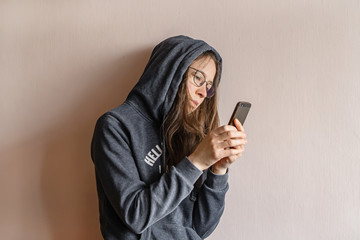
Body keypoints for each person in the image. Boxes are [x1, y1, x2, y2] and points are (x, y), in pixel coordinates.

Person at [91, 35, 247, 240]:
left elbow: (200, 228)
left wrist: (218, 170)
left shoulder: (188, 134)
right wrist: (196, 162)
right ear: (169, 71)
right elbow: (136, 215)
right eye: (198, 78)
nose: (203, 92)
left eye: (209, 85)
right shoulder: (115, 127)